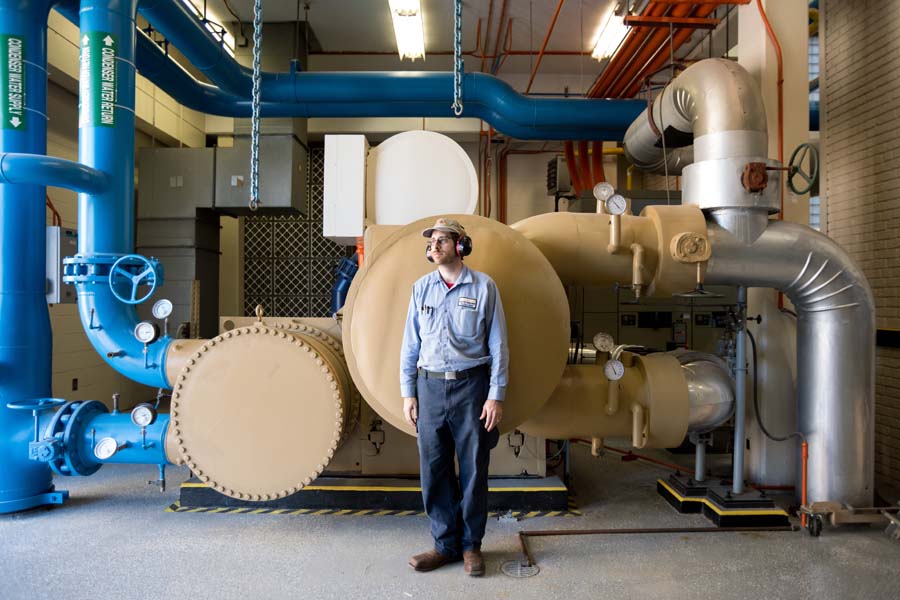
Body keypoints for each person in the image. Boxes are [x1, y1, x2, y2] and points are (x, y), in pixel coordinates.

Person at [399, 217, 509, 577]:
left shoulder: (484, 287)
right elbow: (410, 346)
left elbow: (498, 345)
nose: (434, 246)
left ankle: (471, 547)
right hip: (429, 388)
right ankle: (444, 545)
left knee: (474, 469)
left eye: (442, 240)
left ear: (461, 245)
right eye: (431, 241)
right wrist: (408, 393)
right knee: (434, 470)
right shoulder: (421, 289)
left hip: (471, 388)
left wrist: (496, 395)